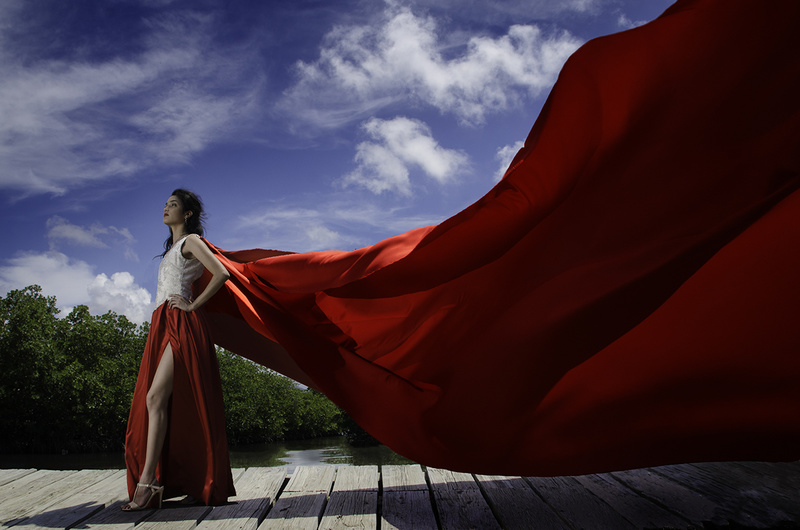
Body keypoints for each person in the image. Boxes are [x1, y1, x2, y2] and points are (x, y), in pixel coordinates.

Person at [122, 189, 235, 510]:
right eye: (165, 204)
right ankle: (161, 482)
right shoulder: (172, 249)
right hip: (162, 323)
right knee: (168, 402)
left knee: (155, 397)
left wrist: (193, 305)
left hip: (182, 323)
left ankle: (148, 484)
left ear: (187, 214)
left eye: (173, 205)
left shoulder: (191, 242)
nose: (166, 208)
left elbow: (222, 273)